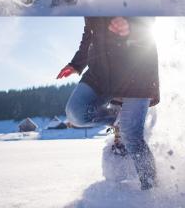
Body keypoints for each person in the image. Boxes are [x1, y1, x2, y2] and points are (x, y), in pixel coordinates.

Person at [56, 17, 159, 190]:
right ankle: (117, 118)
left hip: (137, 68)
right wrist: (77, 63)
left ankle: (150, 190)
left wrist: (131, 27)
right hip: (102, 70)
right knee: (75, 112)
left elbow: (149, 18)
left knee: (131, 135)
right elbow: (89, 33)